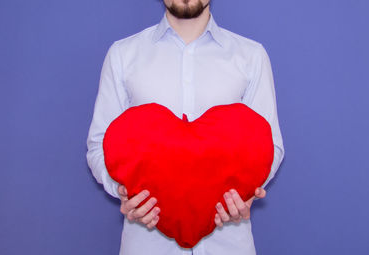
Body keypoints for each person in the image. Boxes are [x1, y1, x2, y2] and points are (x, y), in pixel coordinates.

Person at [86, 0, 285, 254]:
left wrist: (246, 193)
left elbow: (270, 145)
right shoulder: (123, 54)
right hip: (146, 244)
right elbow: (98, 145)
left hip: (229, 244)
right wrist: (124, 192)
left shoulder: (251, 56)